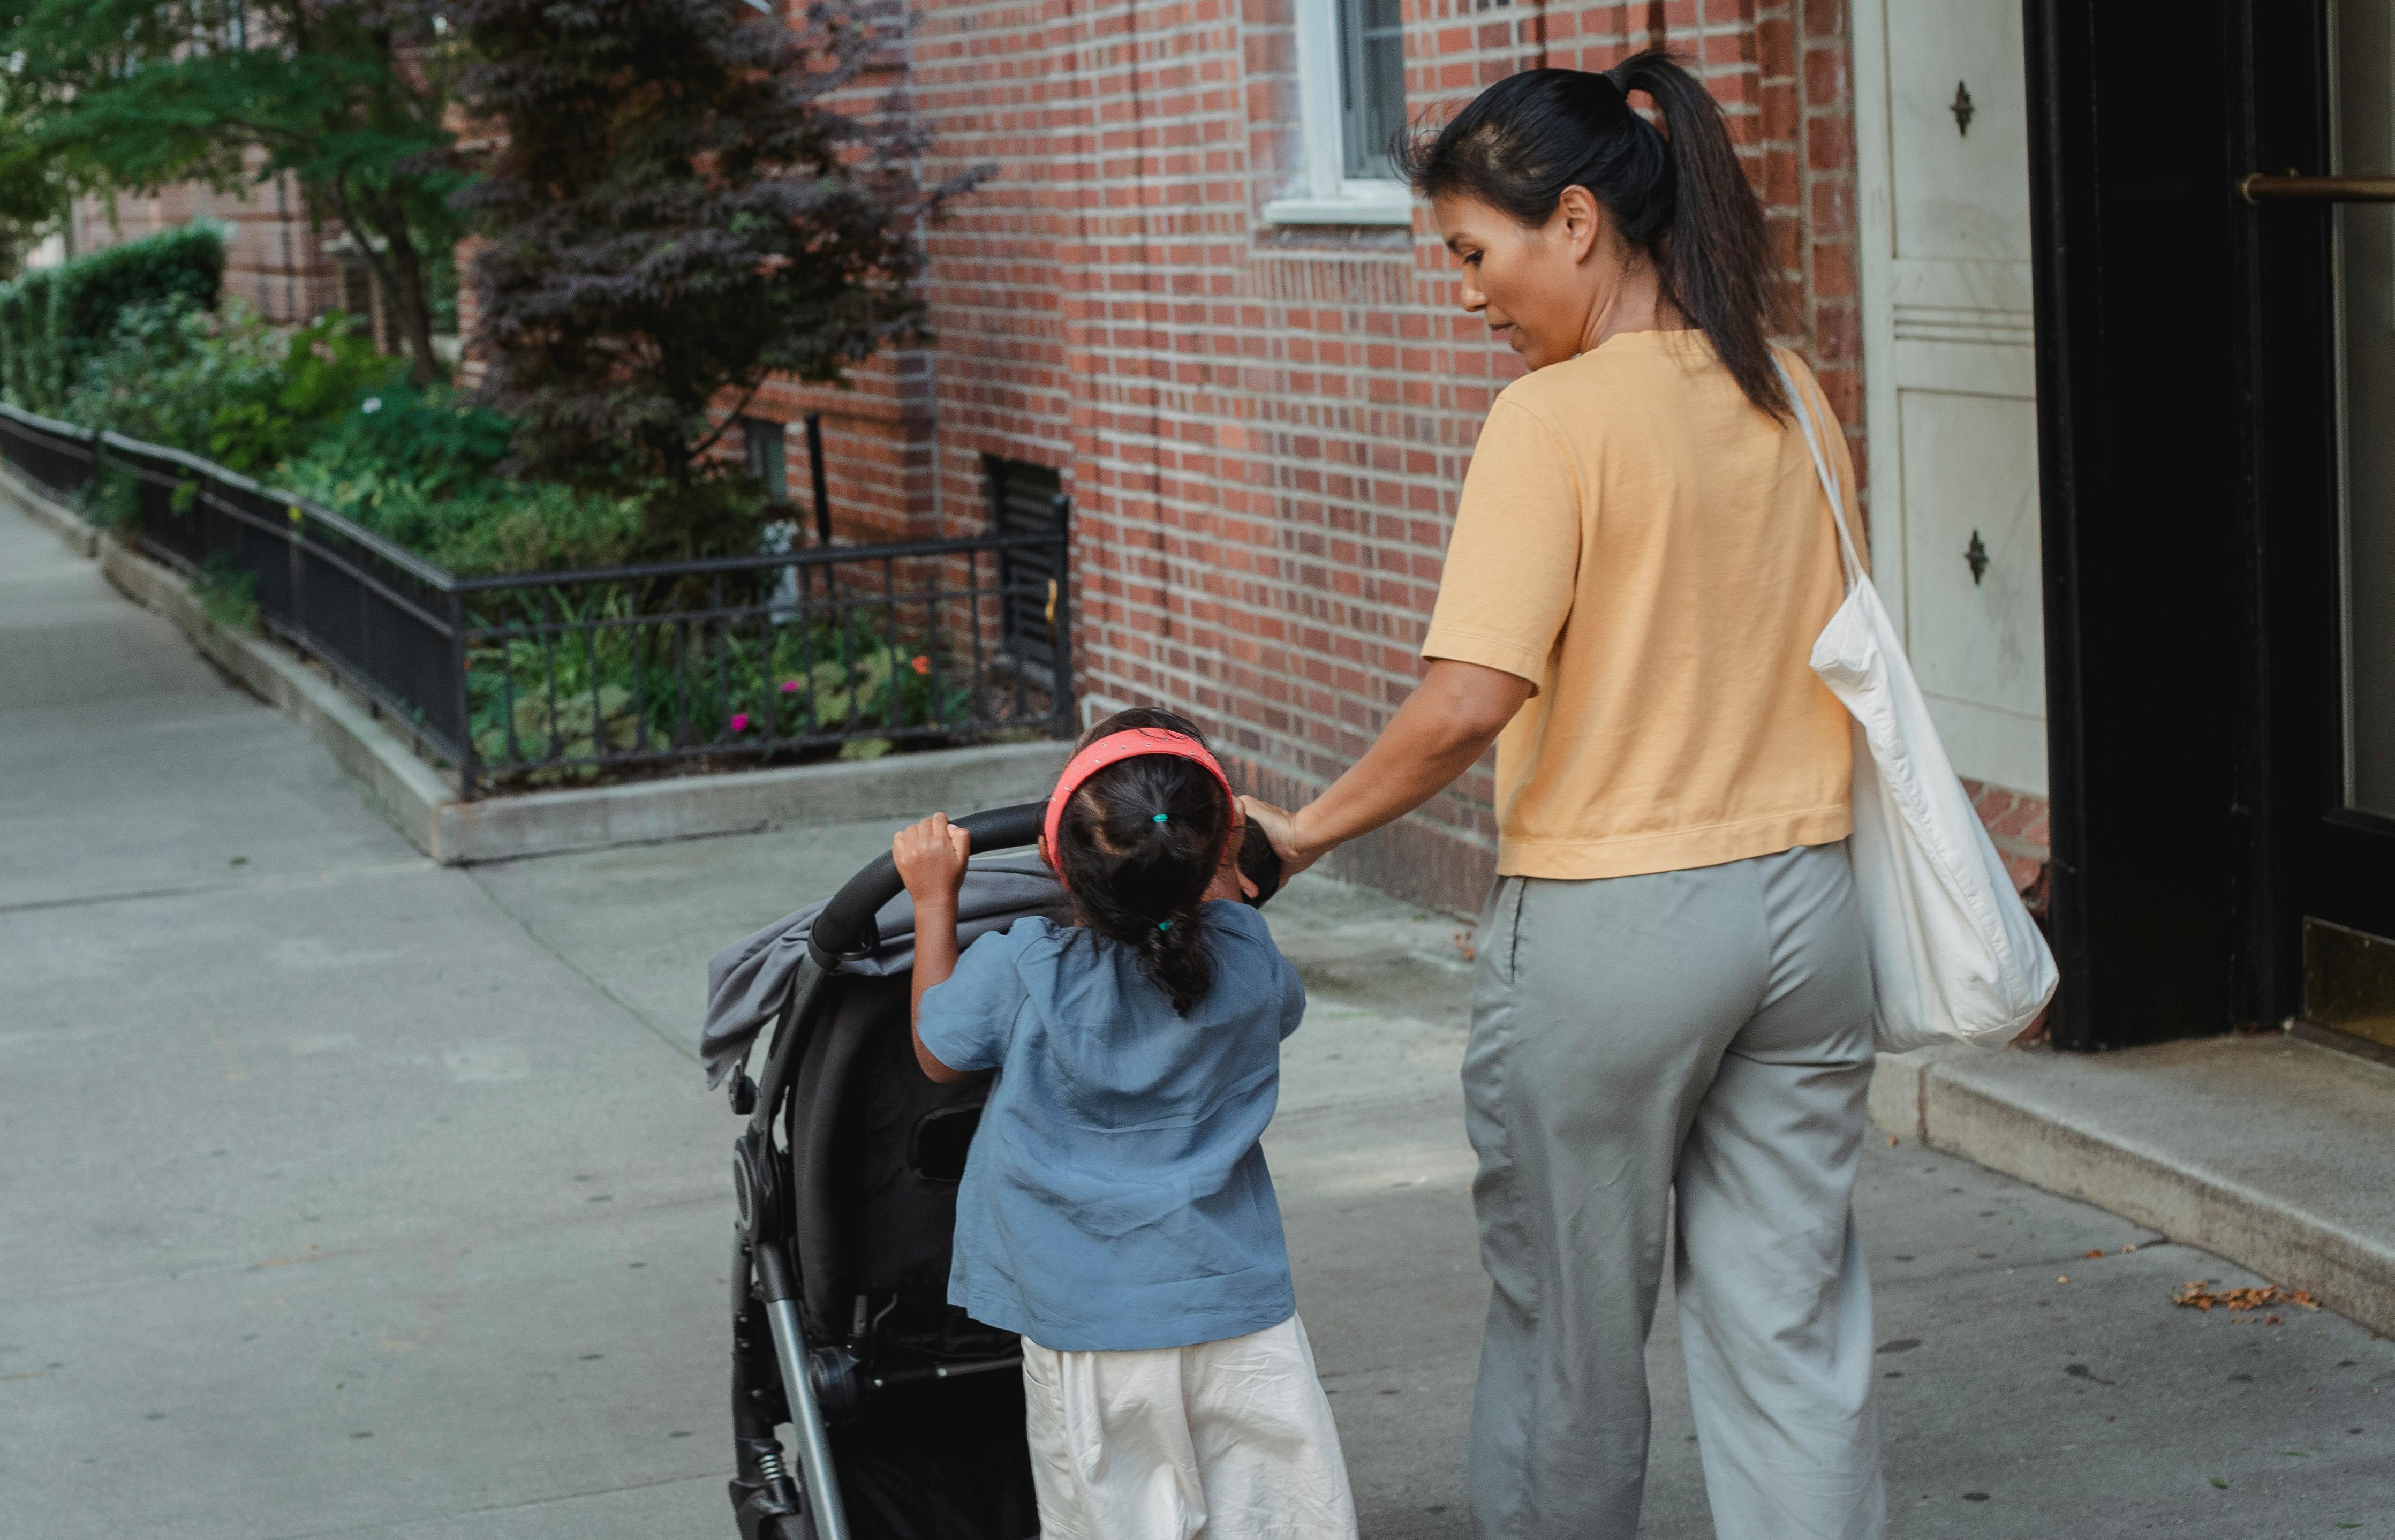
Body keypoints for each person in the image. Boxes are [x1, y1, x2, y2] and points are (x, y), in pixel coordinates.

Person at [1241, 51, 1885, 1540]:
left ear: (1577, 224)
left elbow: (1471, 695)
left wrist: (1301, 832)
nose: (1465, 292)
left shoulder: (1553, 421)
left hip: (1617, 928)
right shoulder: (1787, 388)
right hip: (1807, 906)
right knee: (1791, 1328)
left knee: (1567, 1345)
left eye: (1474, 252)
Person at [889, 709, 1358, 1540]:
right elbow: (1254, 985)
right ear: (1222, 848)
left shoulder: (1026, 966)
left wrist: (936, 898)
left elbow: (937, 1050)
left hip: (1091, 1331)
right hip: (1239, 1314)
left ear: (1053, 857)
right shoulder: (1251, 954)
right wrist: (1220, 866)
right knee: (1278, 1517)